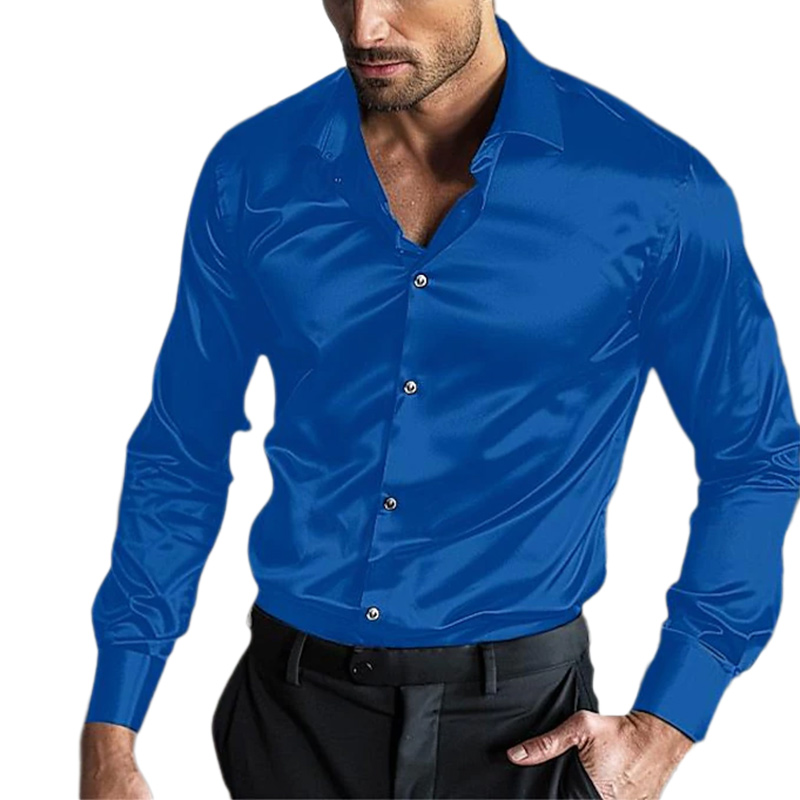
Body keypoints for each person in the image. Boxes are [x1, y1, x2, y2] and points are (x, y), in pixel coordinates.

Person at [80, 2, 800, 798]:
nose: (365, 28)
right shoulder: (253, 170)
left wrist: (669, 722)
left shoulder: (654, 189)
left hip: (521, 731)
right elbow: (181, 445)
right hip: (289, 722)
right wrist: (112, 730)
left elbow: (755, 456)